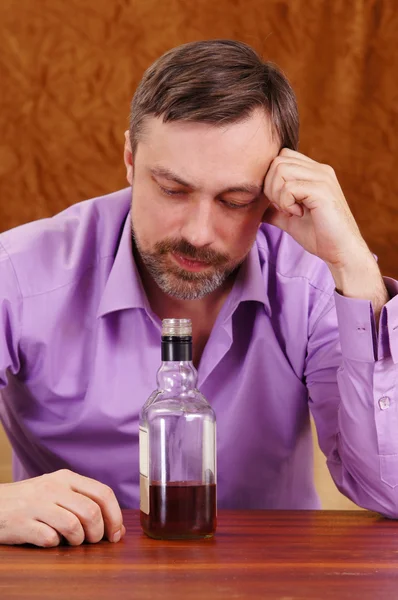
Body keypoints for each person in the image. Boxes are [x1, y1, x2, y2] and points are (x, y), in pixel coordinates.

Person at [0, 39, 397, 548]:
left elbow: (390, 491)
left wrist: (357, 269)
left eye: (235, 201)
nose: (199, 233)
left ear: (273, 193)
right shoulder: (21, 274)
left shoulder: (316, 283)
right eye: (172, 189)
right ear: (129, 158)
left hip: (268, 579)